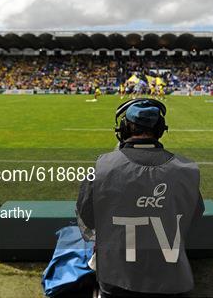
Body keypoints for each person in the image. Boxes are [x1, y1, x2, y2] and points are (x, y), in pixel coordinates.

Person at [76, 99, 204, 297]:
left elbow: (87, 216)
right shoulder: (186, 169)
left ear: (123, 129)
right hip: (171, 280)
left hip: (116, 280)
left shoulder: (103, 166)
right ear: (161, 129)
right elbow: (194, 216)